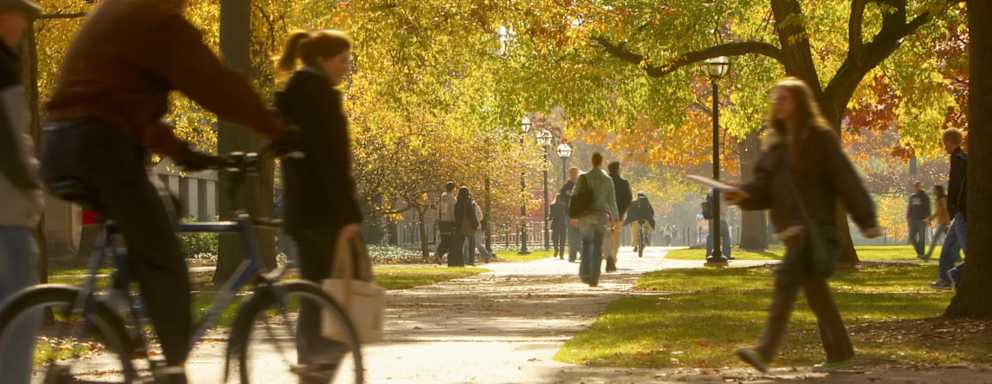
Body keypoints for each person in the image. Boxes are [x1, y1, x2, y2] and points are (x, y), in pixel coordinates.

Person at [40, 0, 291, 381]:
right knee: (166, 261)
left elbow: (123, 104)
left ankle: (113, 306)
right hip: (99, 146)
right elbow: (218, 86)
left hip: (63, 144)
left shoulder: (118, 12)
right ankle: (173, 369)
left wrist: (183, 152)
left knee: (163, 208)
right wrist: (277, 129)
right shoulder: (158, 19)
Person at [726, 78, 880, 373]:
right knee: (816, 294)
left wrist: (866, 219)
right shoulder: (774, 145)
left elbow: (844, 178)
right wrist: (741, 195)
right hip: (791, 232)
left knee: (785, 279)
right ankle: (841, 354)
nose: (778, 104)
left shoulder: (819, 138)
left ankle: (765, 352)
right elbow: (763, 189)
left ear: (799, 102)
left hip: (815, 227)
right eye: (776, 99)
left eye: (783, 98)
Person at [274, 30, 367, 375]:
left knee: (313, 293)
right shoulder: (322, 97)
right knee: (354, 291)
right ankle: (326, 359)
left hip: (301, 211)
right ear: (323, 59)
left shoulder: (289, 95)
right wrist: (349, 214)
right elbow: (332, 161)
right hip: (328, 212)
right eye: (342, 60)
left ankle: (310, 363)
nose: (346, 66)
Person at [0, 2, 42, 382]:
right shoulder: (4, 67)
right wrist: (34, 184)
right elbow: (12, 143)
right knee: (22, 314)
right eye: (20, 15)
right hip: (7, 214)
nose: (25, 25)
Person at [571, 153, 619, 287]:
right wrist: (615, 219)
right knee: (598, 246)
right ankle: (595, 276)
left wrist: (573, 215)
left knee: (586, 244)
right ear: (601, 162)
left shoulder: (583, 177)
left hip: (586, 216)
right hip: (601, 216)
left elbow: (575, 196)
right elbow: (612, 201)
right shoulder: (607, 179)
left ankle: (585, 272)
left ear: (591, 161)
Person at [933, 128, 967, 289]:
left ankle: (955, 274)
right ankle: (945, 279)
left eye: (944, 143)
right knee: (949, 247)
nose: (943, 146)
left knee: (970, 251)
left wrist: (953, 207)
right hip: (959, 211)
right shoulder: (959, 158)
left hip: (962, 211)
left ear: (949, 142)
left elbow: (957, 186)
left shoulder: (960, 159)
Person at [604, 161, 632, 272]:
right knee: (615, 238)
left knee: (606, 237)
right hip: (618, 215)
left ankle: (608, 257)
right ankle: (613, 258)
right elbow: (629, 198)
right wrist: (623, 212)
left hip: (605, 214)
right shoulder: (624, 183)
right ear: (618, 169)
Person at [452, 187, 479, 267]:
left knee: (460, 244)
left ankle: (460, 261)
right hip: (468, 225)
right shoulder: (469, 202)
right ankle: (471, 261)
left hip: (460, 225)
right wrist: (475, 223)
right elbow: (471, 214)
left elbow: (456, 214)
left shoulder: (457, 203)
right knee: (471, 243)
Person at [704, 192, 733, 260]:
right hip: (720, 218)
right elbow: (723, 207)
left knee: (711, 236)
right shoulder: (720, 194)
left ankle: (709, 253)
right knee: (726, 236)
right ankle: (726, 254)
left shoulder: (711, 193)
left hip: (711, 218)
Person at [906, 181, 931, 259]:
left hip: (922, 220)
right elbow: (909, 207)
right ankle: (919, 252)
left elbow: (928, 208)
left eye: (918, 186)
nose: (917, 187)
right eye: (916, 186)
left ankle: (921, 253)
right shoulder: (912, 197)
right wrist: (908, 217)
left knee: (921, 238)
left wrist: (928, 218)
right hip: (912, 220)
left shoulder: (925, 196)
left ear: (921, 187)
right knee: (911, 237)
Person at [561, 167, 582, 262]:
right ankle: (572, 254)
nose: (573, 175)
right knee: (571, 235)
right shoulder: (566, 186)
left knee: (581, 234)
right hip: (569, 214)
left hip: (581, 215)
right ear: (569, 174)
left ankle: (582, 252)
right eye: (572, 173)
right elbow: (562, 199)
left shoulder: (582, 185)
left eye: (575, 173)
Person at [924, 185, 949, 261]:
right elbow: (937, 212)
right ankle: (957, 257)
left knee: (935, 239)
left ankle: (927, 256)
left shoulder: (943, 199)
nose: (933, 191)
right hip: (942, 222)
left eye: (934, 190)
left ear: (938, 191)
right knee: (952, 239)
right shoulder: (937, 199)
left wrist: (948, 221)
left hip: (944, 223)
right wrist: (930, 218)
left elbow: (946, 209)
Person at [435, 181, 457, 265]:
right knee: (449, 241)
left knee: (444, 239)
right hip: (449, 222)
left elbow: (438, 210)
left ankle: (439, 255)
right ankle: (440, 254)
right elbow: (452, 211)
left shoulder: (441, 198)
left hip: (442, 222)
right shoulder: (452, 199)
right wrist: (454, 221)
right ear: (453, 189)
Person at [549, 192, 568, 259]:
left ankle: (556, 249)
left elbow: (551, 216)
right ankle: (561, 254)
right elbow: (567, 215)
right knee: (562, 239)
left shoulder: (552, 206)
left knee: (555, 238)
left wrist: (548, 218)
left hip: (555, 224)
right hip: (563, 224)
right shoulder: (564, 206)